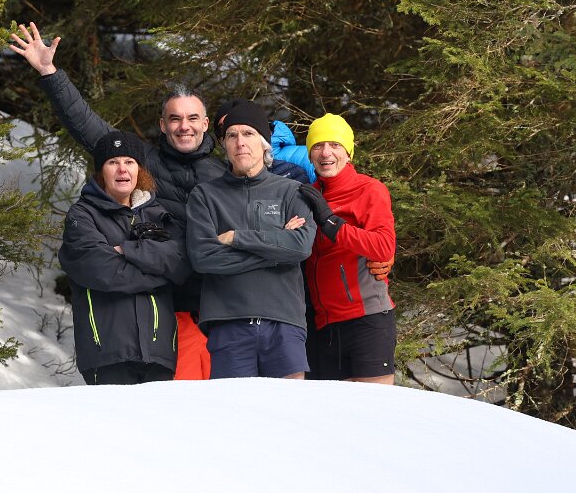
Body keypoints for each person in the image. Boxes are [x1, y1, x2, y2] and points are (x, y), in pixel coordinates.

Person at [9, 22, 224, 379]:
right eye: (175, 119)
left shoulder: (223, 174)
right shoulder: (142, 163)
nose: (183, 126)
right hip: (169, 314)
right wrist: (49, 72)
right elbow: (88, 126)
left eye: (192, 118)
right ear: (163, 125)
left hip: (220, 311)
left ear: (205, 124)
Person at [185, 100, 317, 378]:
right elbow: (204, 257)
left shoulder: (293, 191)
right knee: (234, 407)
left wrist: (237, 238)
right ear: (225, 144)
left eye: (248, 133)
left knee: (290, 405)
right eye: (232, 135)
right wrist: (276, 248)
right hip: (227, 322)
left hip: (284, 321)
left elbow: (301, 247)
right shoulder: (205, 196)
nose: (240, 142)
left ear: (264, 143)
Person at [59, 131, 191, 385]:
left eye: (129, 162)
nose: (122, 169)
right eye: (113, 162)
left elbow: (181, 262)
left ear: (139, 170)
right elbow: (104, 272)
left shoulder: (158, 214)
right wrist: (161, 272)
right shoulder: (82, 216)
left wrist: (128, 251)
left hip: (159, 353)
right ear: (101, 171)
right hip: (107, 352)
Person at [298, 113, 398, 384]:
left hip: (368, 317)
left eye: (335, 145)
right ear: (309, 154)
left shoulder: (369, 189)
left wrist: (332, 224)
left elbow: (383, 246)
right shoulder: (306, 195)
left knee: (373, 405)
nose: (326, 152)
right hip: (325, 324)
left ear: (349, 152)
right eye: (318, 145)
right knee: (336, 409)